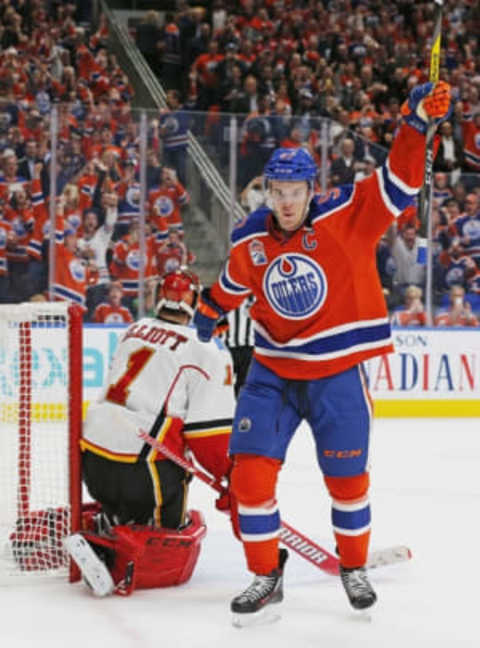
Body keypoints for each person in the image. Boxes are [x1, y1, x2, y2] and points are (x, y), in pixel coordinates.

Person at [192, 81, 452, 624]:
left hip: (337, 374)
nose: (285, 200)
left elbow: (401, 182)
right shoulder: (249, 240)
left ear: (312, 188)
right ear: (265, 191)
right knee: (249, 481)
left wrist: (414, 123)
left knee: (348, 483)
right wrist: (209, 310)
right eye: (276, 190)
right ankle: (266, 577)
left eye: (295, 190)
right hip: (272, 376)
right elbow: (233, 285)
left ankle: (352, 567)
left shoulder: (346, 215)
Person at [65, 269, 237, 596]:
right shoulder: (207, 351)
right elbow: (208, 437)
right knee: (170, 536)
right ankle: (114, 557)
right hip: (144, 470)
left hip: (92, 463)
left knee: (122, 503)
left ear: (160, 296)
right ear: (198, 302)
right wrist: (232, 479)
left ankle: (107, 526)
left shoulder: (135, 328)